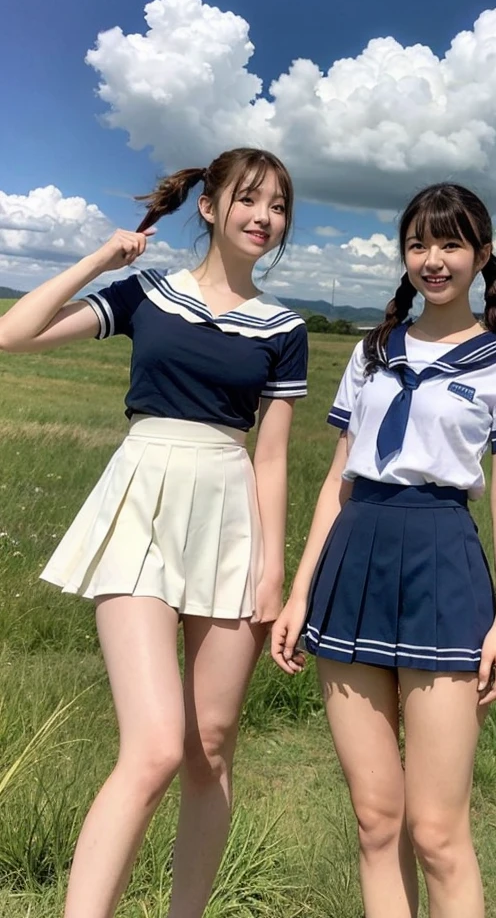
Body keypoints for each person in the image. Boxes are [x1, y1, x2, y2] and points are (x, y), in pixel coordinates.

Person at [0, 148, 308, 918]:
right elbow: (15, 333)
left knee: (210, 743)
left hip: (230, 510)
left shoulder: (285, 327)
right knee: (156, 746)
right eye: (248, 199)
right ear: (209, 207)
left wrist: (272, 567)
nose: (263, 217)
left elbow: (270, 457)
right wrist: (103, 255)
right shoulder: (147, 294)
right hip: (141, 499)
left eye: (277, 206)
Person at [272, 183, 496, 918]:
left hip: (445, 569)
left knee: (436, 831)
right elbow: (337, 480)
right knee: (375, 819)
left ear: (481, 256)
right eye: (419, 243)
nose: (433, 259)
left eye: (451, 244)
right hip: (353, 564)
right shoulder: (372, 350)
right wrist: (300, 593)